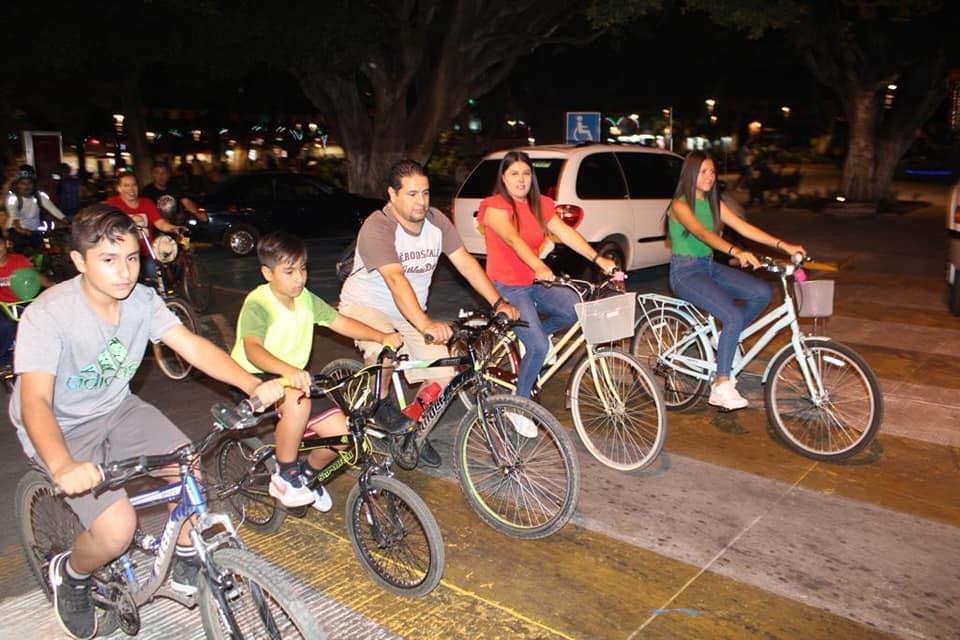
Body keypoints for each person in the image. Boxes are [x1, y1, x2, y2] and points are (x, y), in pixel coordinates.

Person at [9, 204, 284, 639]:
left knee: (188, 466)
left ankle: (187, 560)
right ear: (79, 262)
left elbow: (190, 346)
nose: (124, 272)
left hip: (117, 408)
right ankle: (72, 575)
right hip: (62, 426)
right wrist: (63, 466)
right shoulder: (50, 315)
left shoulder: (142, 300)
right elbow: (36, 402)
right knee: (117, 528)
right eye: (108, 259)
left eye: (132, 258)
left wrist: (252, 384)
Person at [338, 159, 519, 467]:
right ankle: (377, 402)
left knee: (445, 374)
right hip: (366, 308)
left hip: (408, 313)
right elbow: (396, 279)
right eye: (411, 194)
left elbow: (465, 262)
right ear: (392, 194)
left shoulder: (437, 223)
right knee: (386, 348)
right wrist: (425, 324)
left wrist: (498, 303)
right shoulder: (378, 227)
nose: (421, 201)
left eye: (425, 193)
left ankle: (411, 433)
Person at [231, 231, 403, 510]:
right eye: (289, 271)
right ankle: (285, 475)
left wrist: (381, 336)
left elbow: (339, 322)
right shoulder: (258, 303)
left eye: (302, 269)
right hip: (255, 376)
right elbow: (253, 349)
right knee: (298, 402)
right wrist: (288, 371)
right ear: (267, 273)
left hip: (294, 376)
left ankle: (307, 477)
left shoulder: (306, 299)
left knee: (343, 436)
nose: (299, 278)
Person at [666, 151, 805, 410]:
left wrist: (784, 245)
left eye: (712, 171)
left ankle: (726, 338)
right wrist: (736, 251)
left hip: (708, 266)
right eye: (703, 171)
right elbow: (702, 234)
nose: (709, 177)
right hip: (685, 272)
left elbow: (744, 228)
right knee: (732, 315)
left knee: (761, 292)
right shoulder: (680, 205)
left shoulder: (714, 203)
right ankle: (720, 386)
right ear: (690, 174)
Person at [478, 150, 617, 399]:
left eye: (526, 173)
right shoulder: (494, 207)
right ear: (504, 178)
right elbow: (513, 239)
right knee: (539, 346)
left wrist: (599, 260)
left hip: (533, 281)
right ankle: (519, 405)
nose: (521, 180)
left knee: (576, 310)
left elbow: (566, 233)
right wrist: (539, 265)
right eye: (514, 174)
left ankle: (533, 338)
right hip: (507, 286)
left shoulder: (540, 204)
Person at [104, 171, 185, 285]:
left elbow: (160, 223)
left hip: (146, 252)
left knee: (155, 278)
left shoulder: (146, 203)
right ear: (119, 188)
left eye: (134, 185)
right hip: (124, 254)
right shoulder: (112, 205)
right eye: (126, 185)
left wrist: (174, 228)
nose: (131, 189)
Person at [5, 164, 68, 253]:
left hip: (34, 231)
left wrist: (67, 221)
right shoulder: (13, 199)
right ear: (17, 185)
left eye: (29, 183)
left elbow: (53, 209)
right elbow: (14, 218)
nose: (27, 186)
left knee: (43, 255)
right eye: (23, 183)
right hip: (17, 233)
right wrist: (23, 230)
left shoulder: (39, 196)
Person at [141, 160, 207, 224]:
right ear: (152, 174)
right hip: (157, 226)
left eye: (164, 172)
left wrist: (198, 213)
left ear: (169, 174)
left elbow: (186, 201)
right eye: (157, 172)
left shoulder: (174, 186)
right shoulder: (147, 191)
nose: (161, 175)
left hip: (176, 225)